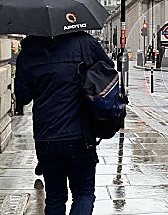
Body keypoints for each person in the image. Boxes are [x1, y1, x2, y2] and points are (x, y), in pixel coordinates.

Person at [15, 31, 114, 215]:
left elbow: (22, 96)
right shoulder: (85, 43)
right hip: (81, 135)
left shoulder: (29, 50)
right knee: (84, 193)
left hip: (46, 136)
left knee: (54, 198)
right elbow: (108, 72)